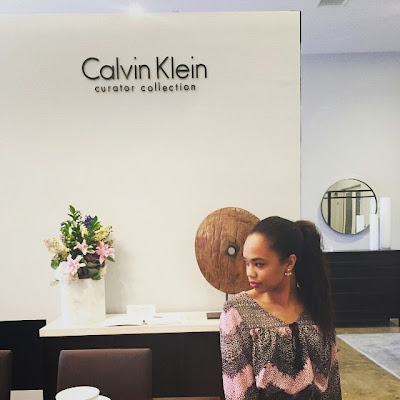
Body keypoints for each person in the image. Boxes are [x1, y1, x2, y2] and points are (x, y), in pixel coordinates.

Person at [220, 216, 342, 400]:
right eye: (247, 262)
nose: (249, 272)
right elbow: (238, 391)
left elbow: (331, 382)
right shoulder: (237, 312)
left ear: (289, 263)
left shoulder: (314, 304)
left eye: (259, 264)